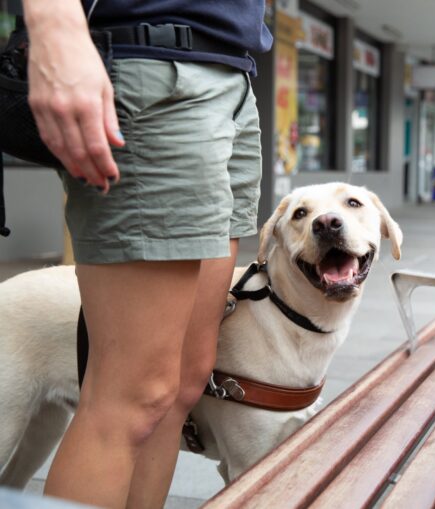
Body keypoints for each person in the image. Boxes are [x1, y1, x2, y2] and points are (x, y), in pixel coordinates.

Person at [21, 0, 272, 506]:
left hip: (232, 75)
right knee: (129, 395)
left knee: (181, 383)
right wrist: (54, 23)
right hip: (154, 66)